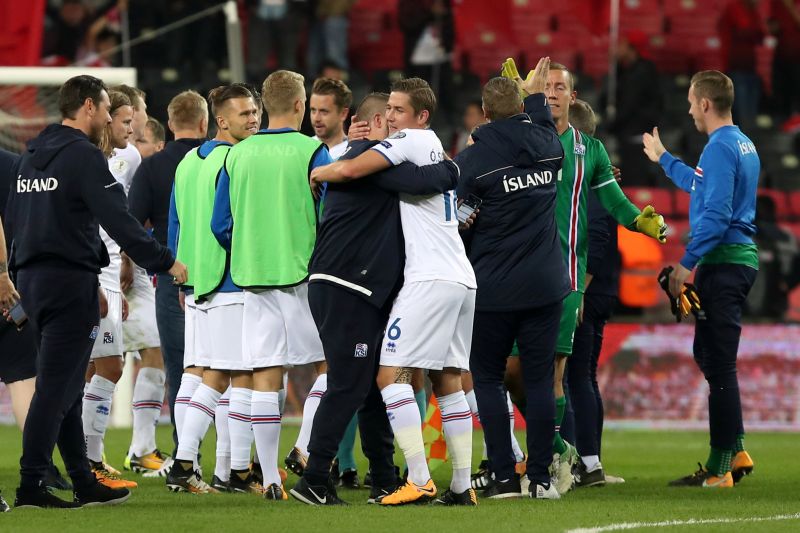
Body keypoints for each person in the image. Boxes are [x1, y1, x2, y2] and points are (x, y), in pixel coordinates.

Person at [5, 74, 186, 509]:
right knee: (58, 388)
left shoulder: (31, 156)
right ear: (88, 107)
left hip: (33, 282)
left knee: (63, 384)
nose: (109, 117)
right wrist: (166, 261)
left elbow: (19, 219)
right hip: (67, 284)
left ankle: (83, 479)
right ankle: (32, 483)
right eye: (106, 109)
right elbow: (120, 221)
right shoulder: (84, 158)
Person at [309, 77, 476, 506]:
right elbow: (429, 177)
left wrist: (324, 169)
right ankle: (456, 486)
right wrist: (453, 169)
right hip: (454, 276)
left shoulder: (400, 149)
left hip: (424, 278)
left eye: (399, 113)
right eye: (389, 115)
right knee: (443, 381)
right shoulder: (422, 151)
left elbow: (354, 171)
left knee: (384, 378)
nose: (394, 122)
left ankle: (415, 478)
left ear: (417, 117)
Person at [509, 61, 667, 495]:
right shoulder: (522, 138)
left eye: (561, 87)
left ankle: (546, 467)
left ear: (573, 97)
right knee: (508, 372)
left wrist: (642, 222)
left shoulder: (590, 151)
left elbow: (615, 204)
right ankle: (562, 449)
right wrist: (522, 98)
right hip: (517, 273)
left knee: (554, 375)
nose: (554, 92)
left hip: (566, 278)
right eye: (547, 86)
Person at [211, 69, 332, 498]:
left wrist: (249, 247)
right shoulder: (313, 151)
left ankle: (271, 479)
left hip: (252, 275)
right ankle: (302, 448)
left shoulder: (237, 155)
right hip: (303, 273)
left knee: (266, 373)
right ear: (300, 106)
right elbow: (331, 214)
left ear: (263, 108)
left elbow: (219, 224)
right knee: (329, 367)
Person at [455, 61, 568, 500]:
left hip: (494, 289)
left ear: (483, 112)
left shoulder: (472, 161)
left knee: (487, 378)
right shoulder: (548, 147)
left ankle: (504, 477)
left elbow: (459, 221)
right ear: (520, 107)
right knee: (539, 381)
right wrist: (535, 95)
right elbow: (544, 126)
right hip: (545, 286)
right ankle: (540, 479)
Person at [643, 70, 760, 488]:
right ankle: (738, 448)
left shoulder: (719, 148)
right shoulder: (741, 144)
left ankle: (719, 467)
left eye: (693, 102)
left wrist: (686, 262)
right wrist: (664, 159)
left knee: (719, 364)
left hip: (722, 261)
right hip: (733, 260)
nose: (690, 108)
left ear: (706, 104)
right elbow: (701, 187)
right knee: (709, 356)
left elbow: (717, 214)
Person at [166, 84, 262, 496]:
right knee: (236, 372)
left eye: (255, 112)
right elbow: (233, 224)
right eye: (244, 114)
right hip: (228, 278)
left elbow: (175, 223)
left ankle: (206, 465)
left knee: (196, 371)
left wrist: (176, 273)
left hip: (194, 280)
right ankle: (215, 467)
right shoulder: (238, 159)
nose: (253, 119)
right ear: (220, 120)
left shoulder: (189, 160)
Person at [128, 90, 208, 462]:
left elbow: (131, 222)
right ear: (206, 123)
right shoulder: (220, 160)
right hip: (221, 277)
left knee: (178, 367)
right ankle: (230, 459)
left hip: (169, 275)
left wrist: (131, 261)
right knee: (225, 368)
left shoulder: (155, 167)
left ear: (171, 125)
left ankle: (183, 453)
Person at [565, 98, 625, 487]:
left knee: (574, 376)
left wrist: (579, 293)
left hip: (587, 290)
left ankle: (584, 461)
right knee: (581, 375)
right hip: (592, 287)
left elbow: (598, 240)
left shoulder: (593, 177)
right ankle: (590, 461)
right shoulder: (591, 174)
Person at [81, 90, 138, 490]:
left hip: (108, 273)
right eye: (124, 121)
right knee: (111, 368)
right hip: (96, 273)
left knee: (87, 369)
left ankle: (83, 456)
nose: (130, 130)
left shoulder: (111, 160)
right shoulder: (95, 164)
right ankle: (88, 459)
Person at [718, 0, 765, 130]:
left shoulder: (752, 10)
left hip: (750, 68)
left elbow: (761, 35)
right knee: (742, 112)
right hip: (735, 67)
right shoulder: (734, 8)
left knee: (751, 111)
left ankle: (751, 141)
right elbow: (744, 29)